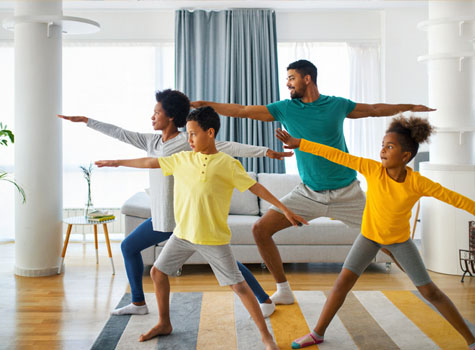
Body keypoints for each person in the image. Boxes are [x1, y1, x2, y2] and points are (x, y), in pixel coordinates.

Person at [191, 59, 436, 305]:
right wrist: (206, 105)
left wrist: (411, 106)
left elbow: (373, 108)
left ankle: (427, 291)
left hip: (348, 194)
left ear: (307, 78)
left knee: (389, 242)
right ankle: (283, 289)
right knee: (260, 229)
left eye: (291, 78)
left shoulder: (336, 105)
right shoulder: (285, 108)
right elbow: (243, 110)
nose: (287, 83)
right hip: (308, 193)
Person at [58, 89, 293, 318]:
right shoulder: (151, 142)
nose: (152, 116)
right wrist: (87, 121)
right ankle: (262, 298)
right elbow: (119, 132)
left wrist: (264, 152)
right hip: (161, 217)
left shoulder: (187, 141)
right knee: (221, 260)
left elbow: (227, 146)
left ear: (170, 116)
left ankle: (140, 302)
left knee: (133, 248)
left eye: (156, 112)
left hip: (177, 219)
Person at [95, 106, 309, 348]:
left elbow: (256, 188)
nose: (189, 140)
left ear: (210, 132)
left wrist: (285, 209)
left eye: (193, 134)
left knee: (238, 286)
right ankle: (164, 323)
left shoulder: (227, 164)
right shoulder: (183, 159)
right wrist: (117, 162)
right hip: (183, 233)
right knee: (157, 272)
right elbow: (150, 161)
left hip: (211, 238)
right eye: (187, 134)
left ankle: (266, 337)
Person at [275, 116, 475, 350]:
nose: (382, 151)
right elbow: (337, 155)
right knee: (342, 284)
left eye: (389, 146)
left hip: (400, 242)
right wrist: (301, 143)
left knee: (429, 291)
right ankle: (317, 333)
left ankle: (471, 340)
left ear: (405, 156)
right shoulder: (373, 170)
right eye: (382, 145)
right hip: (369, 237)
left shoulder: (418, 183)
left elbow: (452, 197)